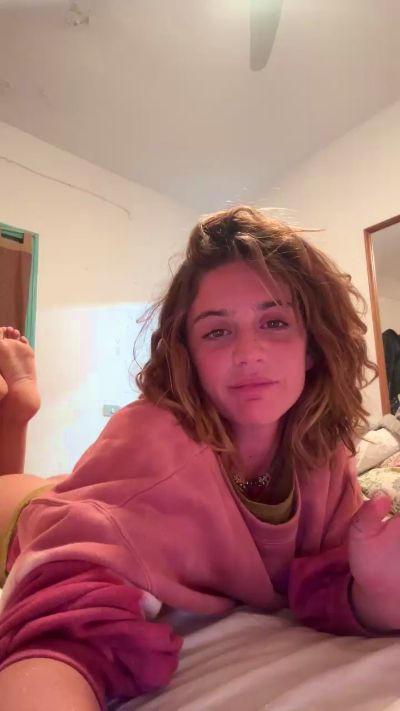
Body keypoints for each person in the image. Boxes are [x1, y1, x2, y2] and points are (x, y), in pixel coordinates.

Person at [0, 205, 398, 711]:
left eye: (275, 322)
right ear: (188, 355)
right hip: (21, 516)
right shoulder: (152, 436)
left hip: (95, 491)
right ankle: (17, 406)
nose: (248, 353)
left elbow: (327, 578)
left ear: (312, 347)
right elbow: (64, 619)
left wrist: (377, 590)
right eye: (217, 332)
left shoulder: (323, 451)